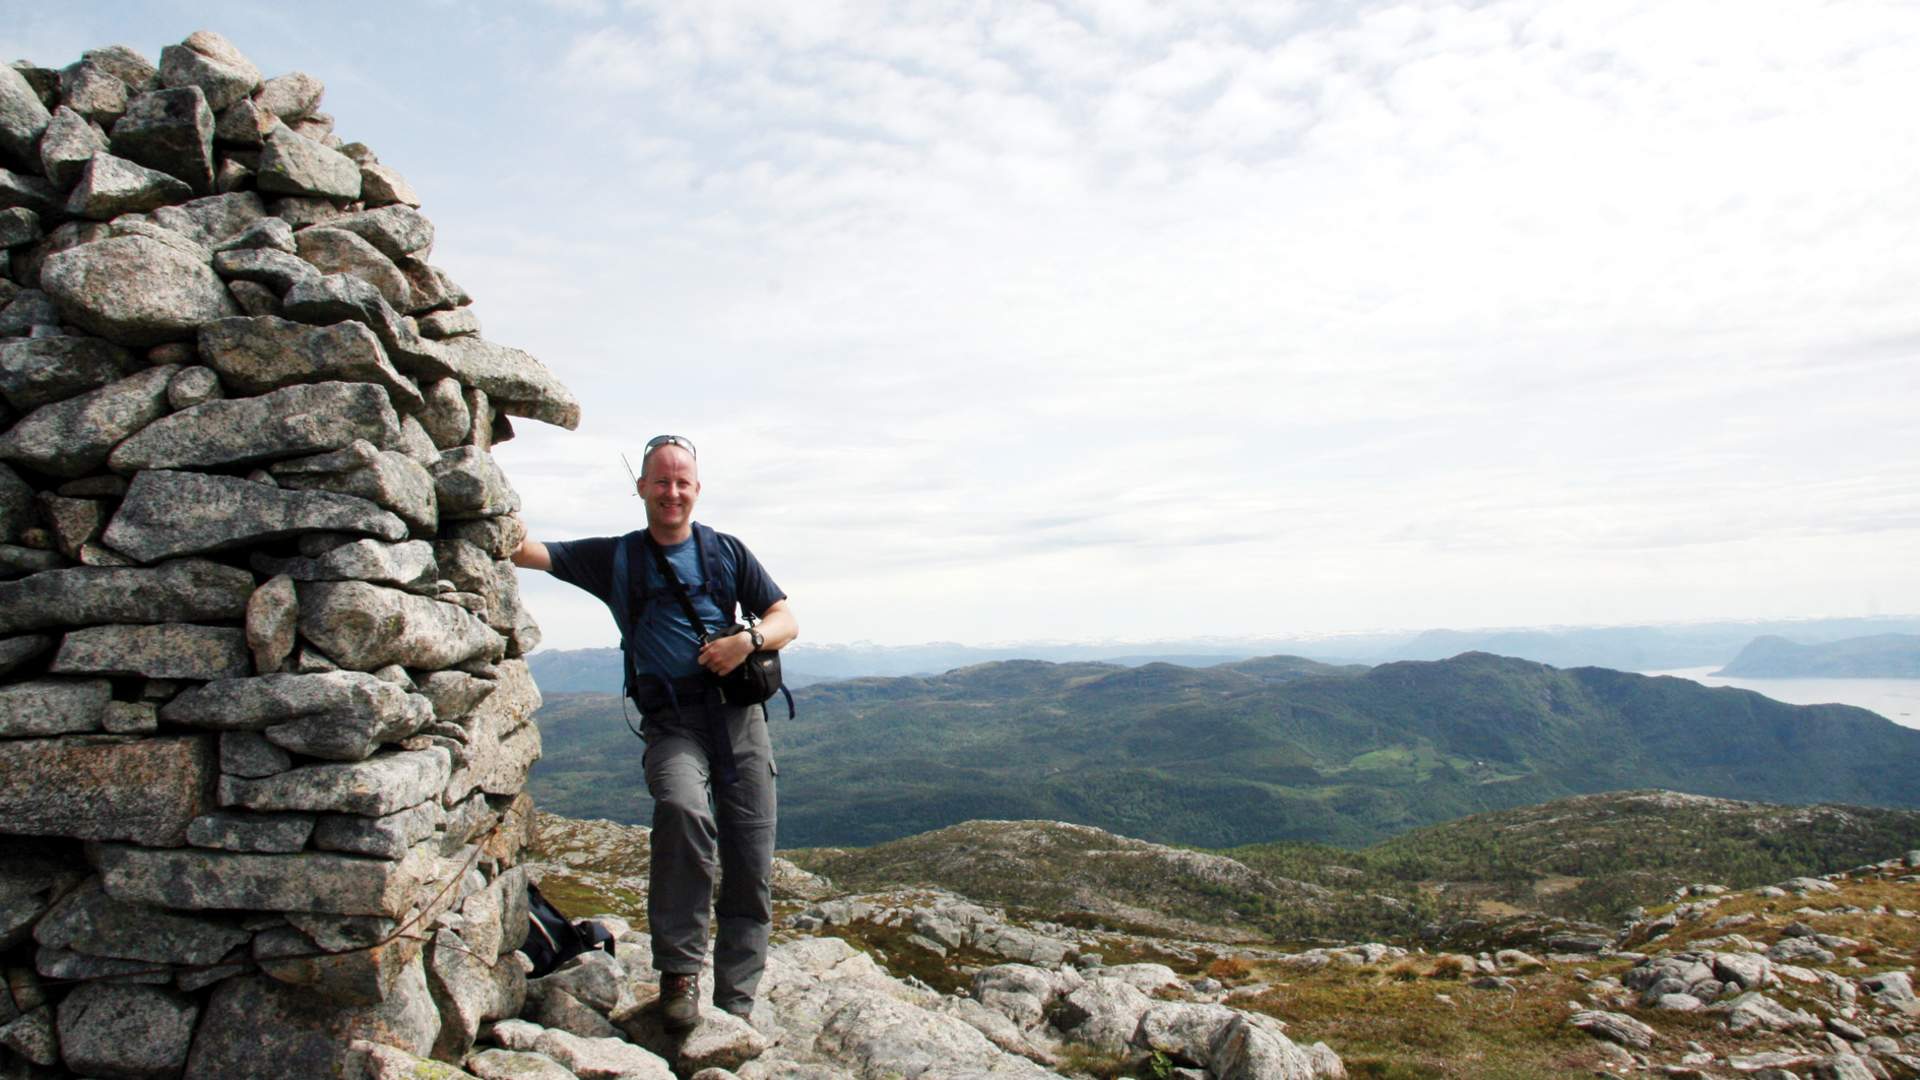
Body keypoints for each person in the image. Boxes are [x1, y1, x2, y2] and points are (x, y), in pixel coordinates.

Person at [510, 434, 796, 1030]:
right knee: (682, 809)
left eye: (682, 482)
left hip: (740, 720)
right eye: (660, 481)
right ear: (641, 487)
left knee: (750, 858)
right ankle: (680, 975)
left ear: (696, 489)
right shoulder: (617, 558)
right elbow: (527, 550)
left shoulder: (726, 552)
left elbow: (784, 618)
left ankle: (735, 1006)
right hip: (672, 723)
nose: (672, 492)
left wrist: (748, 640)